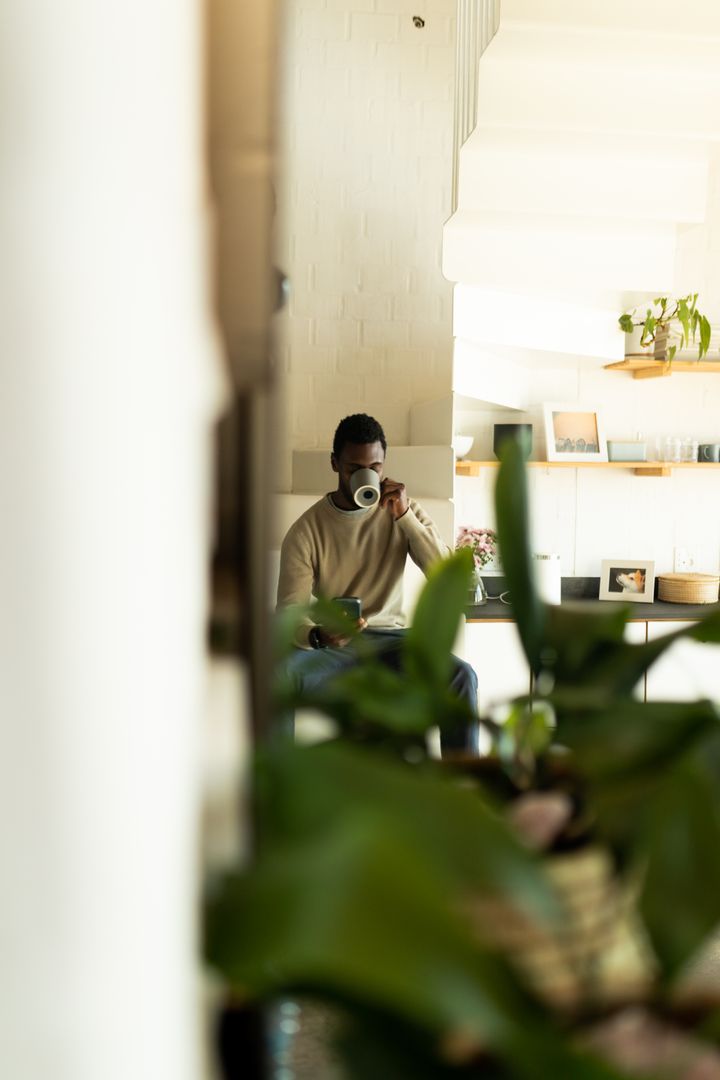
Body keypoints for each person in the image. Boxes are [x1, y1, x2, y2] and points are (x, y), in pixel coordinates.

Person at [276, 413, 478, 752]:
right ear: (334, 464)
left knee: (461, 676)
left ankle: (467, 783)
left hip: (394, 643)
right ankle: (275, 788)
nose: (365, 476)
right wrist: (316, 635)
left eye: (375, 467)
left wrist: (404, 517)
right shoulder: (306, 530)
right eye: (354, 469)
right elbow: (288, 613)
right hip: (334, 647)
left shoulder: (402, 510)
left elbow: (446, 577)